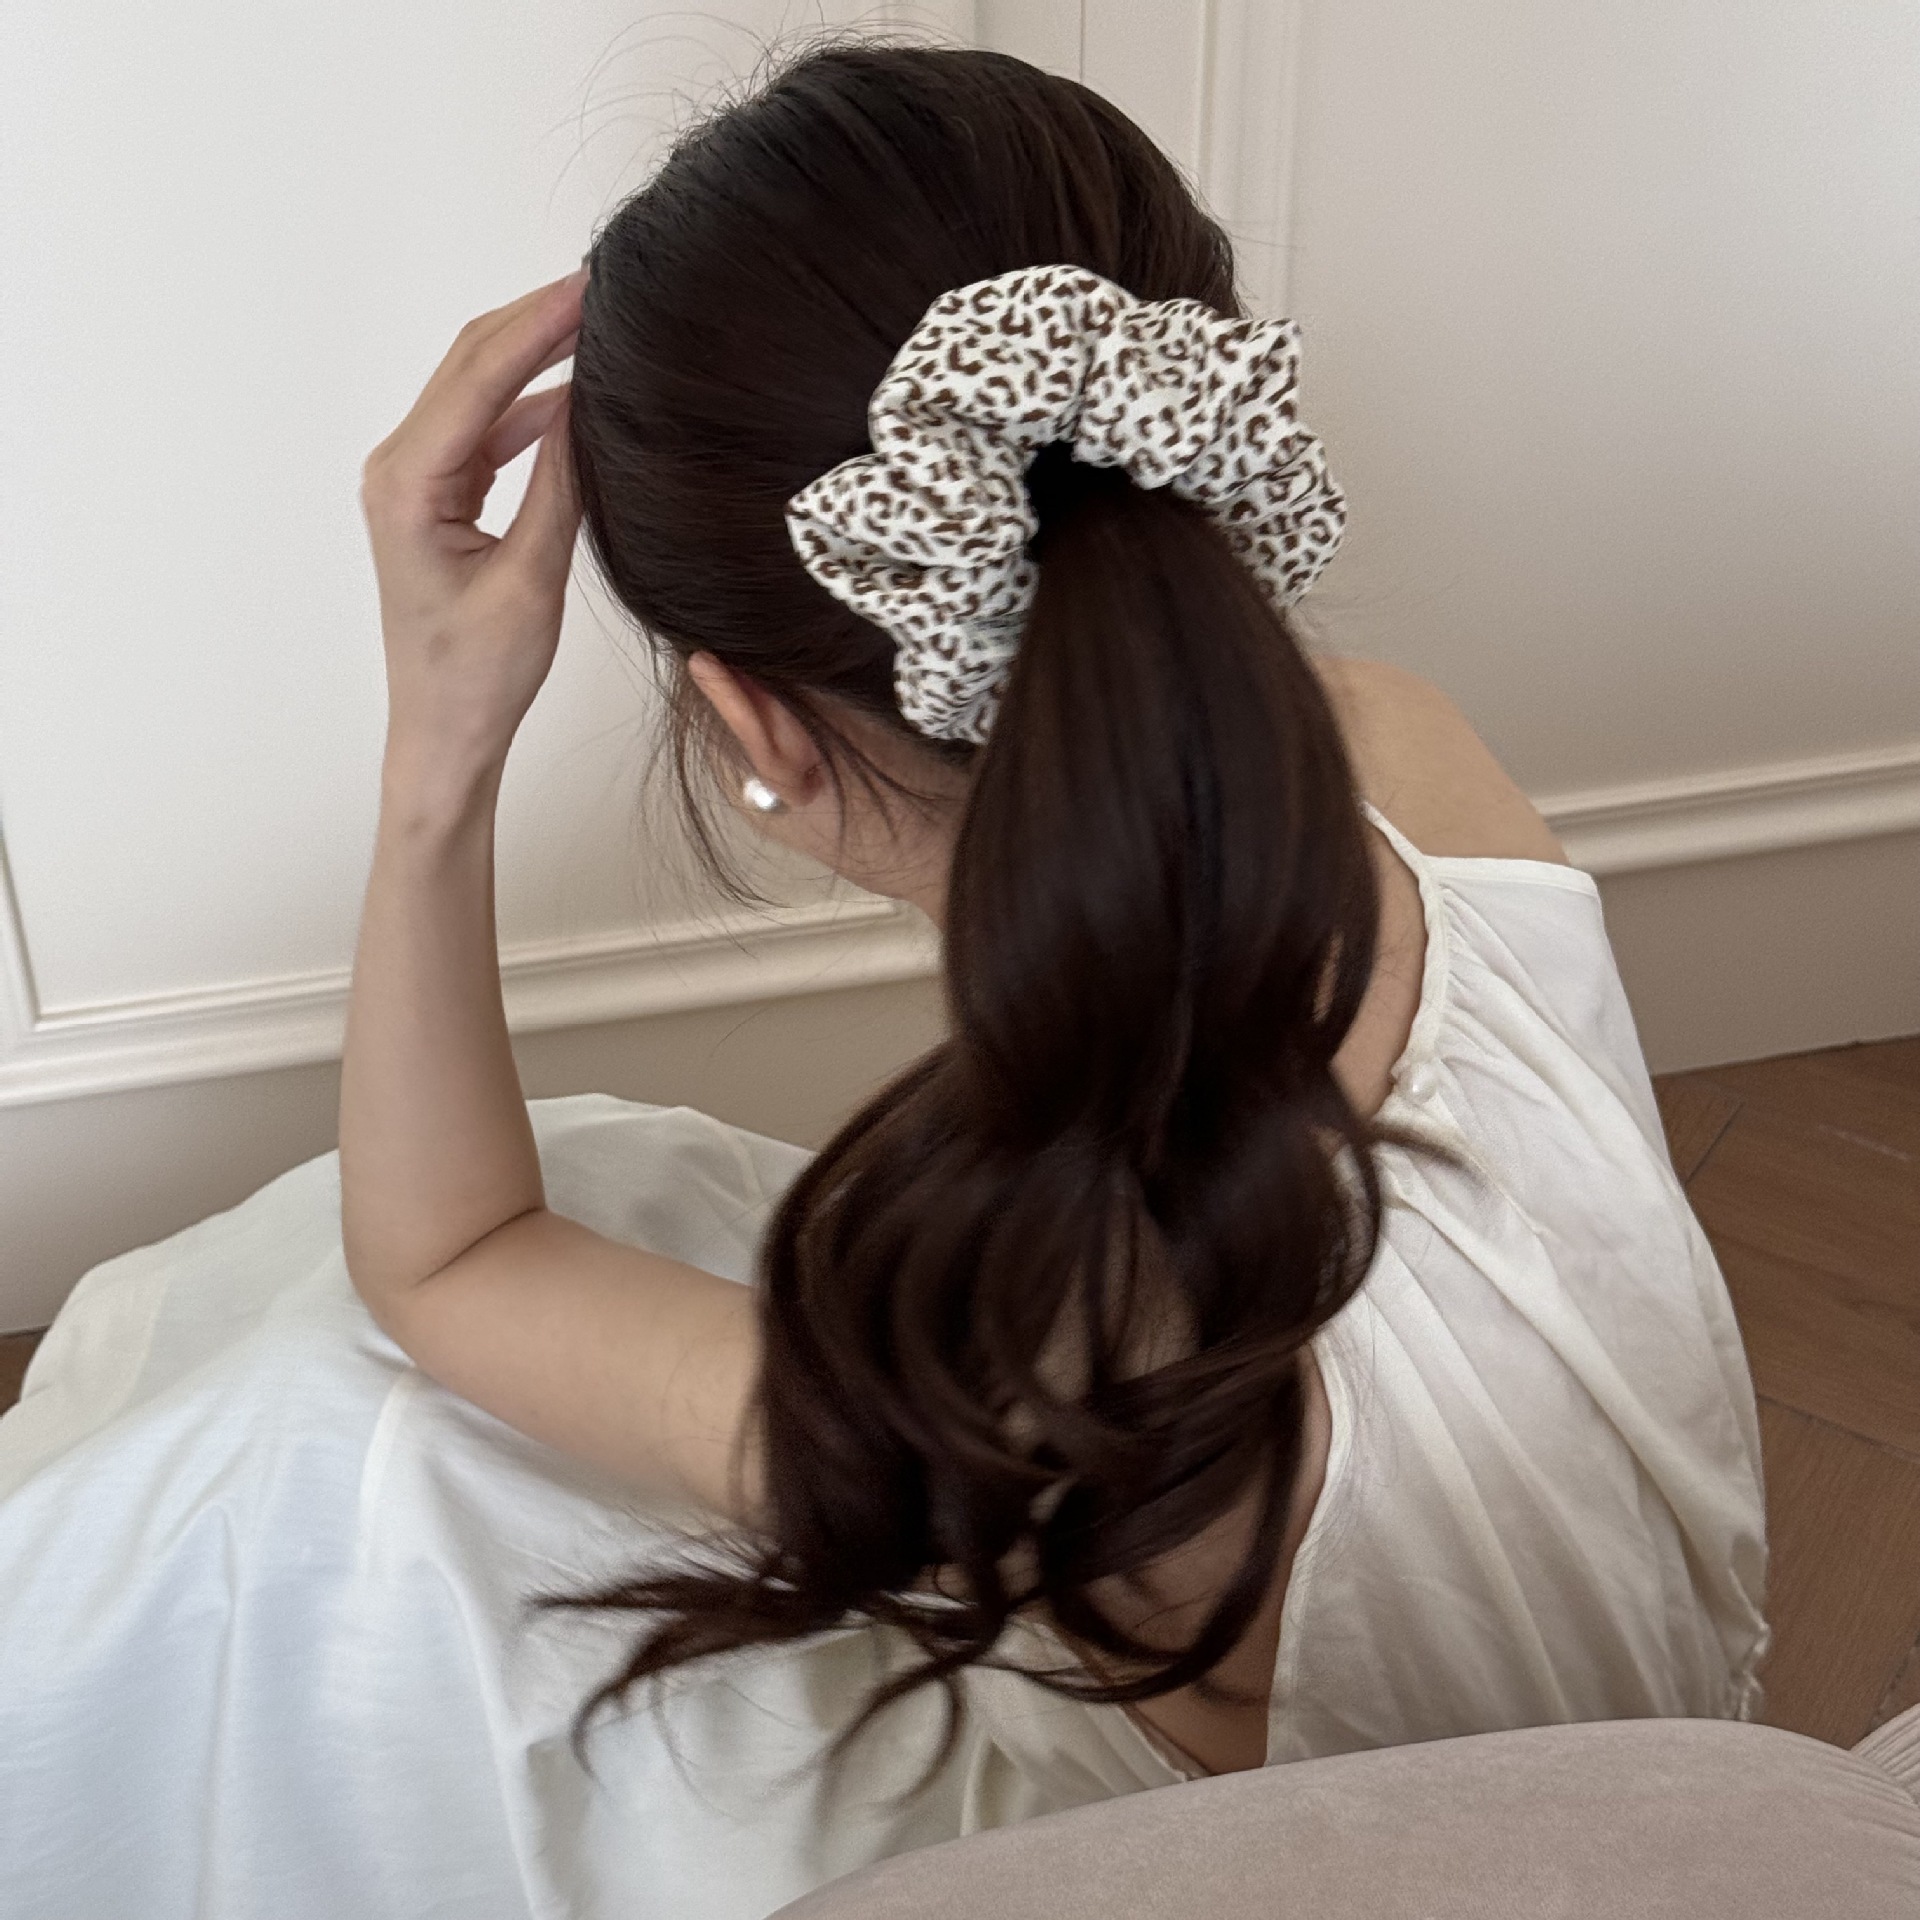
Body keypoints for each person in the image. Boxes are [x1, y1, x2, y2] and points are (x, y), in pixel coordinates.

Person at [0, 41, 1769, 1920]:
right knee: (578, 1193)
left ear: (754, 723)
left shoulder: (1060, 1365)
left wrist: (438, 747)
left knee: (322, 1451)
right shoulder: (1409, 754)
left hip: (1318, 1855)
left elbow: (441, 1261)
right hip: (1662, 1733)